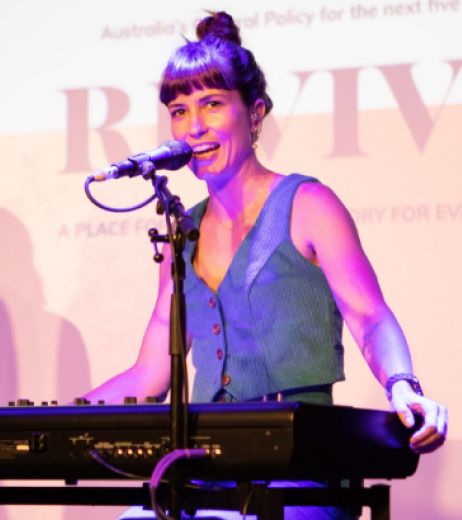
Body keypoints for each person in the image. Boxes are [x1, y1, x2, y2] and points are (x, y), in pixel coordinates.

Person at [85, 11, 447, 519]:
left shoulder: (308, 204)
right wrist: (50, 419)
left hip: (302, 471)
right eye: (180, 110)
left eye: (212, 104)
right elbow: (149, 374)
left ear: (254, 114)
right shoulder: (180, 233)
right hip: (204, 470)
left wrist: (404, 387)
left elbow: (370, 317)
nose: (194, 126)